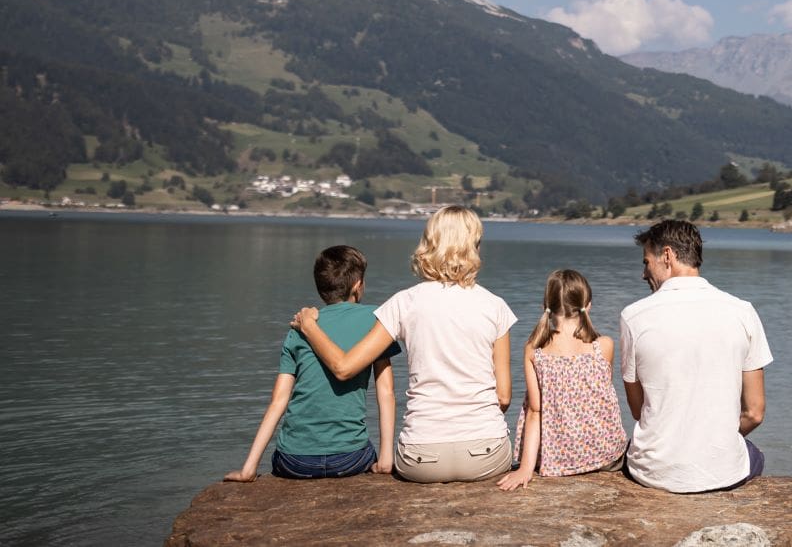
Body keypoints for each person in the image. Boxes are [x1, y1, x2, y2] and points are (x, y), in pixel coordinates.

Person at [291, 205, 517, 482]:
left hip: (421, 458)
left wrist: (309, 326)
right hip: (486, 455)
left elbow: (344, 368)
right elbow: (504, 397)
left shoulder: (403, 303)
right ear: (474, 246)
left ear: (429, 244)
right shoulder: (495, 306)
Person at [619, 219, 772, 492]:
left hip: (653, 472)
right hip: (721, 473)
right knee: (754, 455)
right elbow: (755, 413)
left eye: (646, 262)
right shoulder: (743, 311)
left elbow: (638, 410)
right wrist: (714, 443)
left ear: (667, 256)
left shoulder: (633, 317)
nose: (644, 273)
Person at [225, 245, 398, 481]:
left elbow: (279, 401)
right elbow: (386, 392)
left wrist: (249, 469)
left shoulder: (299, 328)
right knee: (364, 449)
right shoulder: (375, 320)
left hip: (294, 461)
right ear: (358, 285)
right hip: (349, 459)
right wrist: (385, 459)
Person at [496, 269, 627, 489]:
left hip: (557, 461)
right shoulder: (603, 346)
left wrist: (526, 468)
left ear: (545, 307)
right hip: (606, 456)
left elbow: (535, 412)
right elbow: (600, 402)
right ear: (588, 306)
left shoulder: (535, 351)